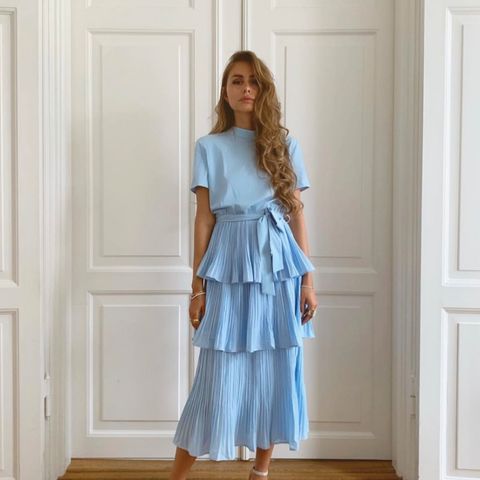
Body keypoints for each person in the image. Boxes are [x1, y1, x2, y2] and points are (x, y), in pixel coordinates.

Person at [169, 50, 318, 480]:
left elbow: (297, 215)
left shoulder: (285, 146)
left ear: (263, 89)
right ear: (225, 90)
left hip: (278, 266)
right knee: (215, 377)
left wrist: (308, 281)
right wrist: (197, 287)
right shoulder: (208, 148)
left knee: (274, 369)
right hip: (229, 263)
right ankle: (176, 476)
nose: (246, 88)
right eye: (236, 80)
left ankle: (260, 472)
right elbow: (204, 218)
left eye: (253, 81)